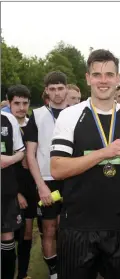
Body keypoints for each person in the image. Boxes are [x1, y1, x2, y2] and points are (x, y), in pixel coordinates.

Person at [50, 49, 120, 278]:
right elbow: (58, 168)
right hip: (78, 226)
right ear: (88, 78)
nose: (103, 80)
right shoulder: (70, 116)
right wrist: (104, 153)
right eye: (97, 74)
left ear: (118, 79)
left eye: (109, 74)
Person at [26, 71, 68, 279]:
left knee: (70, 228)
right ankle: (54, 273)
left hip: (72, 179)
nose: (57, 93)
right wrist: (40, 185)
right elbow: (30, 155)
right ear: (46, 91)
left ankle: (72, 265)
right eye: (52, 89)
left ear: (67, 89)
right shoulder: (37, 115)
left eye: (61, 88)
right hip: (48, 181)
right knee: (49, 229)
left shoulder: (78, 112)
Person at [7, 85, 39, 279]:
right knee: (9, 236)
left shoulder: (32, 126)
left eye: (24, 103)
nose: (21, 107)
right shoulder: (4, 127)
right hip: (10, 190)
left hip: (31, 188)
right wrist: (15, 193)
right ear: (9, 103)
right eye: (16, 103)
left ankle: (23, 274)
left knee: (27, 234)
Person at [1, 110, 25, 279]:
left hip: (6, 190)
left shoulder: (8, 119)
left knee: (7, 236)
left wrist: (8, 160)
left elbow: (21, 152)